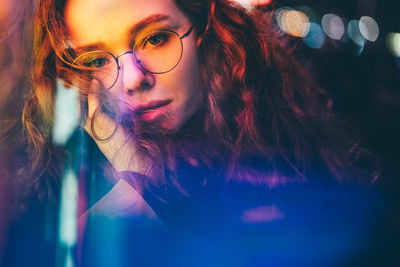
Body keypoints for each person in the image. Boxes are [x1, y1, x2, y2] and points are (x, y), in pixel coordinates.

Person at [5, 0, 383, 265]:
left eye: (155, 38)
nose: (133, 79)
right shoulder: (57, 199)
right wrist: (134, 170)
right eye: (98, 60)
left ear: (204, 32)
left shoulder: (288, 162)